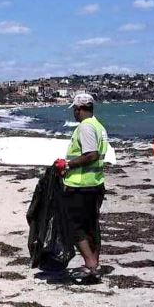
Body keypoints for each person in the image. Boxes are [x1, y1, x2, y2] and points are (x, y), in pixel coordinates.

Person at [53, 93, 110, 284]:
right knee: (91, 225)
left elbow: (91, 155)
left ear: (79, 109)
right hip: (95, 182)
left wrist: (67, 165)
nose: (74, 115)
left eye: (75, 111)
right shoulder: (98, 126)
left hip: (81, 185)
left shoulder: (85, 127)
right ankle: (94, 263)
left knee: (75, 226)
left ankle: (91, 265)